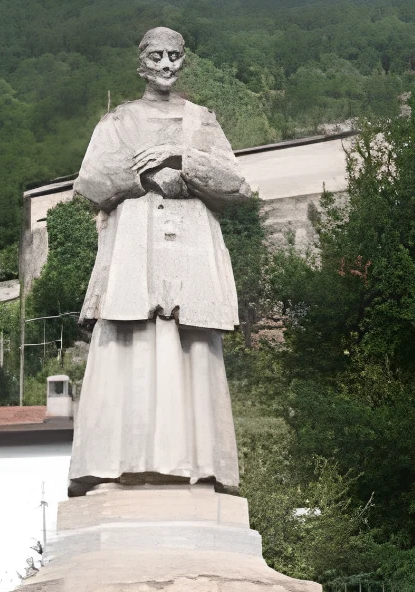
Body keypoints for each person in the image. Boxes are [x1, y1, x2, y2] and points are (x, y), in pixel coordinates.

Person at [67, 26, 252, 497]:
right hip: (132, 251)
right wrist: (147, 174)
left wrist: (181, 157)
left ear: (182, 61)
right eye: (157, 56)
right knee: (127, 349)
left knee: (191, 352)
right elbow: (90, 182)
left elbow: (235, 184)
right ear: (142, 62)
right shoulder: (118, 121)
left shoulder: (200, 121)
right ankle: (112, 466)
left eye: (174, 56)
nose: (167, 64)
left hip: (191, 254)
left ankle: (200, 468)